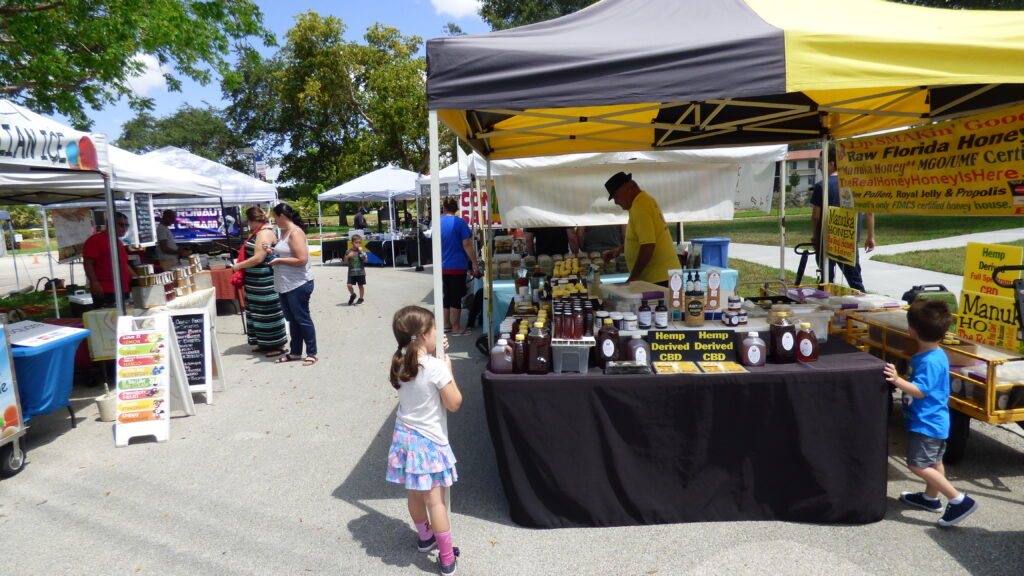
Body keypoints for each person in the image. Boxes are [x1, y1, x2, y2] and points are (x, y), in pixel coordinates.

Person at [883, 300, 978, 527]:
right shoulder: (936, 355)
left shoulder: (928, 362)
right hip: (936, 421)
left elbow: (921, 390)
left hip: (926, 422)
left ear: (911, 330)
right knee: (935, 462)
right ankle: (930, 498)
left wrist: (897, 380)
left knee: (917, 465)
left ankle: (958, 499)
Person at [386, 305, 462, 575]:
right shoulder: (436, 368)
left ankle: (424, 537)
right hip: (429, 441)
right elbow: (454, 403)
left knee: (415, 494)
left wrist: (434, 352)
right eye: (434, 330)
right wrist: (448, 369)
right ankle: (446, 557)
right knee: (436, 501)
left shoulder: (400, 361)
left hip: (405, 436)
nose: (438, 334)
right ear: (423, 335)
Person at [810, 153, 875, 292]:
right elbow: (869, 211)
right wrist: (871, 237)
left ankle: (826, 310)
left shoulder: (822, 185)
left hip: (826, 239)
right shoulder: (856, 183)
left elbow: (816, 216)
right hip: (848, 240)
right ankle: (863, 307)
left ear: (832, 163)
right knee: (855, 281)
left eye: (821, 163)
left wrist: (815, 236)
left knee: (826, 281)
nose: (819, 166)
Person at [229, 207, 288, 357]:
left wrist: (238, 266)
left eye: (248, 221)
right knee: (257, 311)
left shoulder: (264, 233)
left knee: (267, 311)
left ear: (252, 220)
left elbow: (258, 258)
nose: (248, 225)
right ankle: (263, 341)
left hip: (263, 279)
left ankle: (276, 344)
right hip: (256, 280)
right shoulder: (262, 231)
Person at [602, 172, 679, 286]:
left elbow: (648, 245)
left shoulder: (640, 207)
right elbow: (647, 237)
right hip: (663, 276)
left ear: (628, 189)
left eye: (616, 196)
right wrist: (621, 249)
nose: (616, 202)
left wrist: (633, 278)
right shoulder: (643, 201)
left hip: (659, 278)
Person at [266, 203, 318, 366]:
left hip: (298, 283)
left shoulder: (295, 232)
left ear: (282, 216)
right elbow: (287, 251)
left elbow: (301, 260)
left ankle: (312, 352)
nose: (274, 220)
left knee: (302, 318)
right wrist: (272, 251)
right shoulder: (284, 232)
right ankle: (295, 352)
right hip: (285, 283)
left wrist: (279, 259)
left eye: (275, 217)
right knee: (292, 320)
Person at [440, 197, 478, 336]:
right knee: (456, 296)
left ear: (444, 208)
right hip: (457, 265)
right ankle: (456, 328)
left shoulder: (438, 222)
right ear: (456, 209)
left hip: (442, 266)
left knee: (447, 295)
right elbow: (467, 245)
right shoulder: (460, 222)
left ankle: (446, 324)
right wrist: (474, 262)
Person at [83, 212, 134, 308]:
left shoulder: (118, 242)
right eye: (121, 225)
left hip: (123, 288)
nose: (125, 228)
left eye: (127, 225)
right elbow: (88, 263)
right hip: (106, 289)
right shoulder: (95, 240)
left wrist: (136, 278)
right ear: (110, 224)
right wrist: (94, 283)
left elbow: (123, 263)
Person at [344, 234, 368, 305]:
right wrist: (348, 256)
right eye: (356, 242)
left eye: (359, 243)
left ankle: (361, 298)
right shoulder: (348, 251)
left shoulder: (362, 251)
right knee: (349, 285)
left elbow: (365, 260)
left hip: (360, 272)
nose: (358, 244)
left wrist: (362, 252)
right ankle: (353, 294)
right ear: (352, 243)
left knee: (360, 285)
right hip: (351, 272)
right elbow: (345, 261)